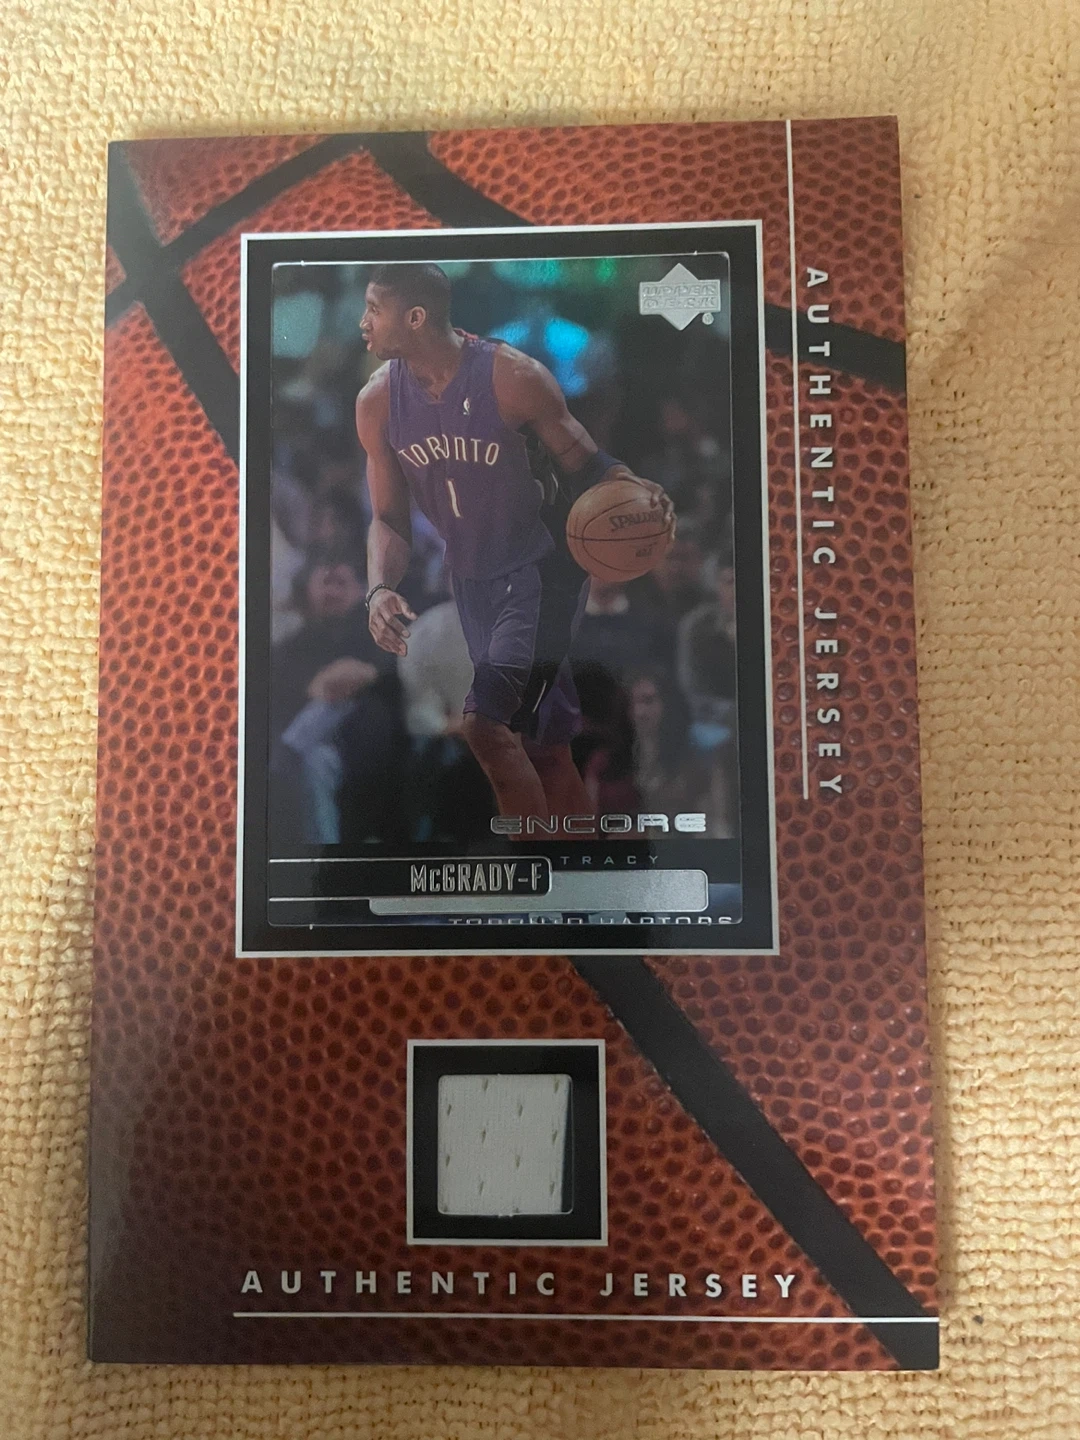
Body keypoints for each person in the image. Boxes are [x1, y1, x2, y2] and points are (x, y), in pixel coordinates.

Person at [354, 262, 673, 827]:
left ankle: (533, 873)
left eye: (374, 310)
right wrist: (379, 587)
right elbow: (387, 518)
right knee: (545, 751)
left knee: (487, 727)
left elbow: (585, 461)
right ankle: (577, 868)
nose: (363, 322)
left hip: (540, 570)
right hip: (471, 580)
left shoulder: (512, 377)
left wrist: (634, 490)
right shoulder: (377, 401)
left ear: (416, 317)